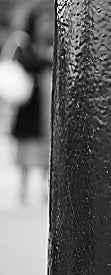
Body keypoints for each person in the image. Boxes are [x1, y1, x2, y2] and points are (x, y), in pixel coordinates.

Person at [11, 2, 53, 203]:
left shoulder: (50, 42)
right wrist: (43, 60)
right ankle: (23, 186)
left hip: (45, 98)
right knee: (27, 144)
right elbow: (27, 63)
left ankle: (45, 186)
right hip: (30, 101)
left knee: (47, 140)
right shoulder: (24, 42)